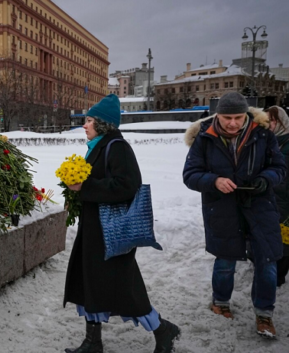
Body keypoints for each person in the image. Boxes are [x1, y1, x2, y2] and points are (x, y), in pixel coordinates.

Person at [64, 94, 180, 353]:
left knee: (124, 290)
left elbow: (127, 186)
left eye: (89, 120)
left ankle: (163, 330)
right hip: (95, 230)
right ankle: (93, 342)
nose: (84, 125)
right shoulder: (99, 146)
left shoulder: (117, 147)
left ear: (102, 124)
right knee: (89, 285)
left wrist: (85, 187)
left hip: (111, 232)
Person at [183, 92, 286, 338]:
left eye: (238, 117)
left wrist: (266, 179)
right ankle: (220, 302)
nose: (232, 123)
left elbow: (280, 167)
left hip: (261, 208)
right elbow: (190, 174)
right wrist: (213, 180)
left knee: (267, 262)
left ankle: (264, 314)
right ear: (218, 115)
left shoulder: (263, 134)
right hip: (221, 209)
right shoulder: (205, 138)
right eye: (227, 117)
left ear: (246, 116)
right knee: (225, 261)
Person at [265, 105, 289, 286]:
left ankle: (279, 275)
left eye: (272, 120)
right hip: (271, 196)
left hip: (285, 199)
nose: (270, 124)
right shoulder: (268, 141)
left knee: (284, 239)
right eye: (268, 120)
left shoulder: (285, 143)